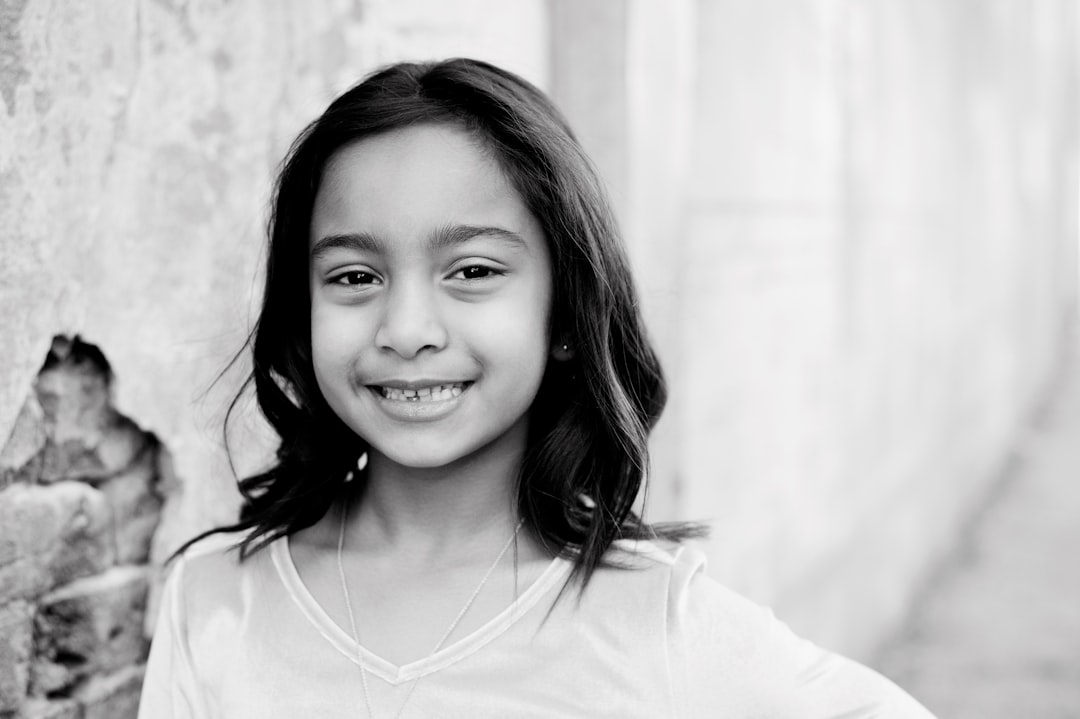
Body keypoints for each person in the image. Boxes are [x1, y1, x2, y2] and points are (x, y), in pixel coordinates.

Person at [137, 58, 935, 719]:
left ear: (563, 311)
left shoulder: (661, 625)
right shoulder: (212, 605)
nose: (407, 327)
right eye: (354, 275)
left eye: (474, 271)